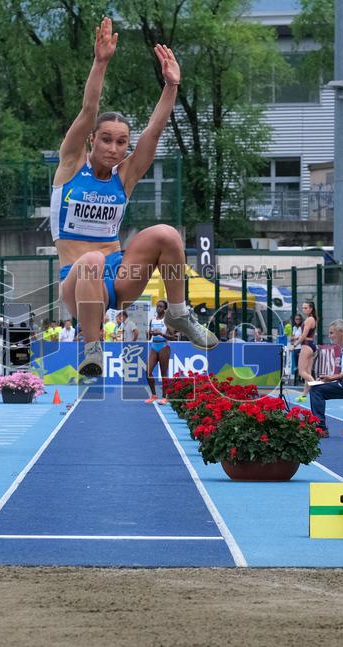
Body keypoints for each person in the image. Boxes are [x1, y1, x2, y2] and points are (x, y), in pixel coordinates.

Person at [52, 17, 217, 377]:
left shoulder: (123, 176)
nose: (114, 148)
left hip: (119, 275)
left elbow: (154, 132)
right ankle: (91, 347)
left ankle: (178, 312)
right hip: (77, 279)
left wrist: (171, 86)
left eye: (121, 142)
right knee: (93, 258)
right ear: (92, 140)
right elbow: (88, 111)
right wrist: (100, 63)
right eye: (106, 139)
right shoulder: (69, 166)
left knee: (167, 235)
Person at [145, 300, 176, 404]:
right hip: (154, 346)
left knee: (163, 373)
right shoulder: (152, 320)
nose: (158, 308)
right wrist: (148, 333)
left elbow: (173, 337)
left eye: (161, 307)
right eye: (157, 306)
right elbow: (149, 337)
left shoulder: (168, 321)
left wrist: (161, 334)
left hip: (164, 346)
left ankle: (164, 397)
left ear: (165, 309)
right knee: (148, 372)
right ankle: (153, 395)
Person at [295, 301, 318, 403]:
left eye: (306, 308)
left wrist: (294, 345)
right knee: (307, 373)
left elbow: (304, 335)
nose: (304, 310)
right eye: (303, 308)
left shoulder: (309, 319)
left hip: (306, 346)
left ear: (311, 308)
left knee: (302, 372)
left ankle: (317, 389)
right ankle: (304, 395)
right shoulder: (312, 319)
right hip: (311, 346)